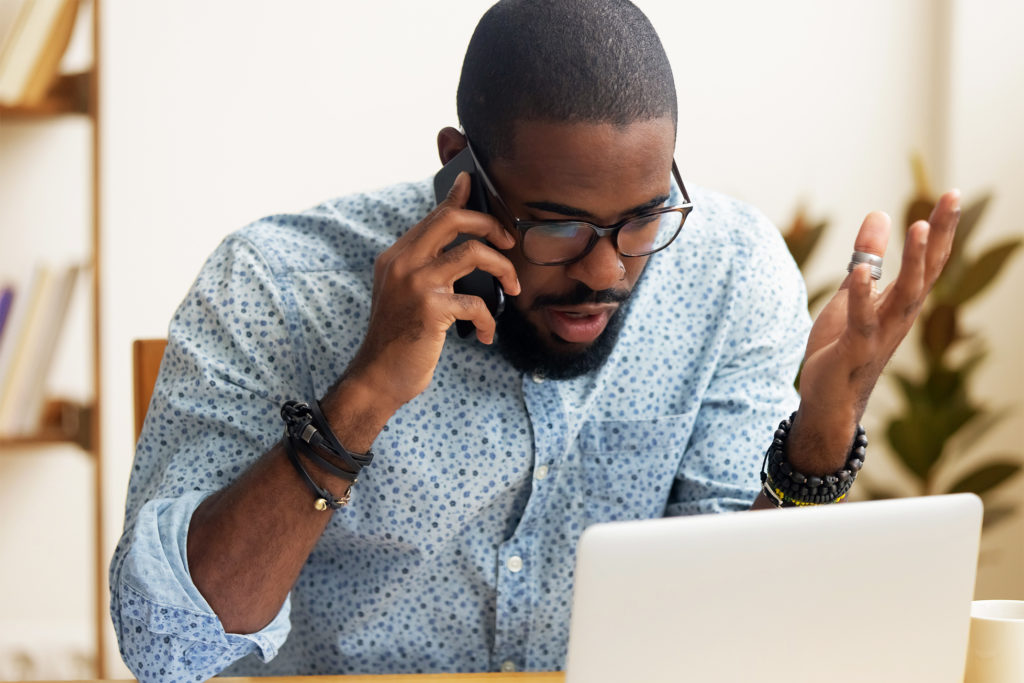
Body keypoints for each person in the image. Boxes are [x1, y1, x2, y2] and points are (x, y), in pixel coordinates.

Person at [109, 0, 960, 680]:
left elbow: (739, 621)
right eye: (559, 226)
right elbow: (169, 647)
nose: (608, 271)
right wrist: (365, 392)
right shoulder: (275, 286)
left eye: (642, 218)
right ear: (461, 169)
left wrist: (821, 429)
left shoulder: (729, 271)